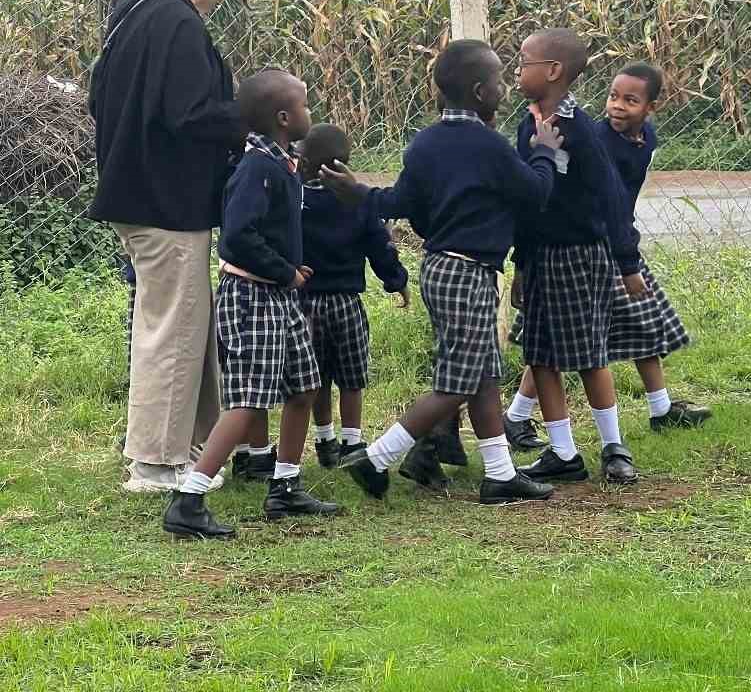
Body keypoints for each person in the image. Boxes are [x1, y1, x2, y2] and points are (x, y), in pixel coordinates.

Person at [322, 40, 564, 506]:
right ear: (479, 92)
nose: (504, 88)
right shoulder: (489, 145)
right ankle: (376, 456)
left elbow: (400, 202)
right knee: (457, 382)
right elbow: (534, 192)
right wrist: (544, 151)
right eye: (497, 81)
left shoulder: (426, 141)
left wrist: (359, 193)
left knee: (483, 375)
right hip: (467, 273)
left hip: (439, 268)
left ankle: (500, 473)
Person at [89, 0, 254, 494]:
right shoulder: (179, 23)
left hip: (134, 189)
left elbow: (98, 96)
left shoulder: (135, 10)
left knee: (188, 321)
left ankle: (193, 445)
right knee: (172, 329)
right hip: (167, 200)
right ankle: (156, 464)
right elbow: (190, 114)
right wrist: (251, 118)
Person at [163, 70, 338, 539]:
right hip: (254, 297)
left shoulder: (282, 163)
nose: (309, 113)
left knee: (303, 388)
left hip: (281, 296)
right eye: (304, 105)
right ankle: (189, 500)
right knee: (246, 402)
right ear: (284, 118)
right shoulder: (256, 169)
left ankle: (285, 486)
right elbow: (238, 237)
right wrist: (284, 269)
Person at [506, 62, 709, 437]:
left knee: (642, 326)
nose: (617, 105)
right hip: (595, 250)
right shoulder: (594, 139)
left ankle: (661, 406)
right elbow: (598, 198)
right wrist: (622, 253)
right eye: (613, 96)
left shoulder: (645, 139)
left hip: (617, 242)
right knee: (555, 339)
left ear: (650, 108)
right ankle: (517, 415)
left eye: (630, 100)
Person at [509, 29, 645, 487]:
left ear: (553, 71)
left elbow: (610, 196)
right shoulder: (528, 124)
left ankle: (613, 446)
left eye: (524, 59)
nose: (517, 68)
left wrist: (627, 261)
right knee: (541, 353)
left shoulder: (582, 130)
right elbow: (526, 198)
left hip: (580, 256)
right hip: (541, 258)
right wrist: (521, 262)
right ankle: (563, 451)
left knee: (589, 354)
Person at [297, 124, 410, 469]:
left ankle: (324, 438)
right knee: (351, 376)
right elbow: (379, 245)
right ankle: (352, 442)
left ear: (303, 161)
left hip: (305, 302)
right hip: (346, 302)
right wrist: (397, 280)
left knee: (315, 377)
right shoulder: (357, 203)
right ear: (345, 164)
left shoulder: (294, 200)